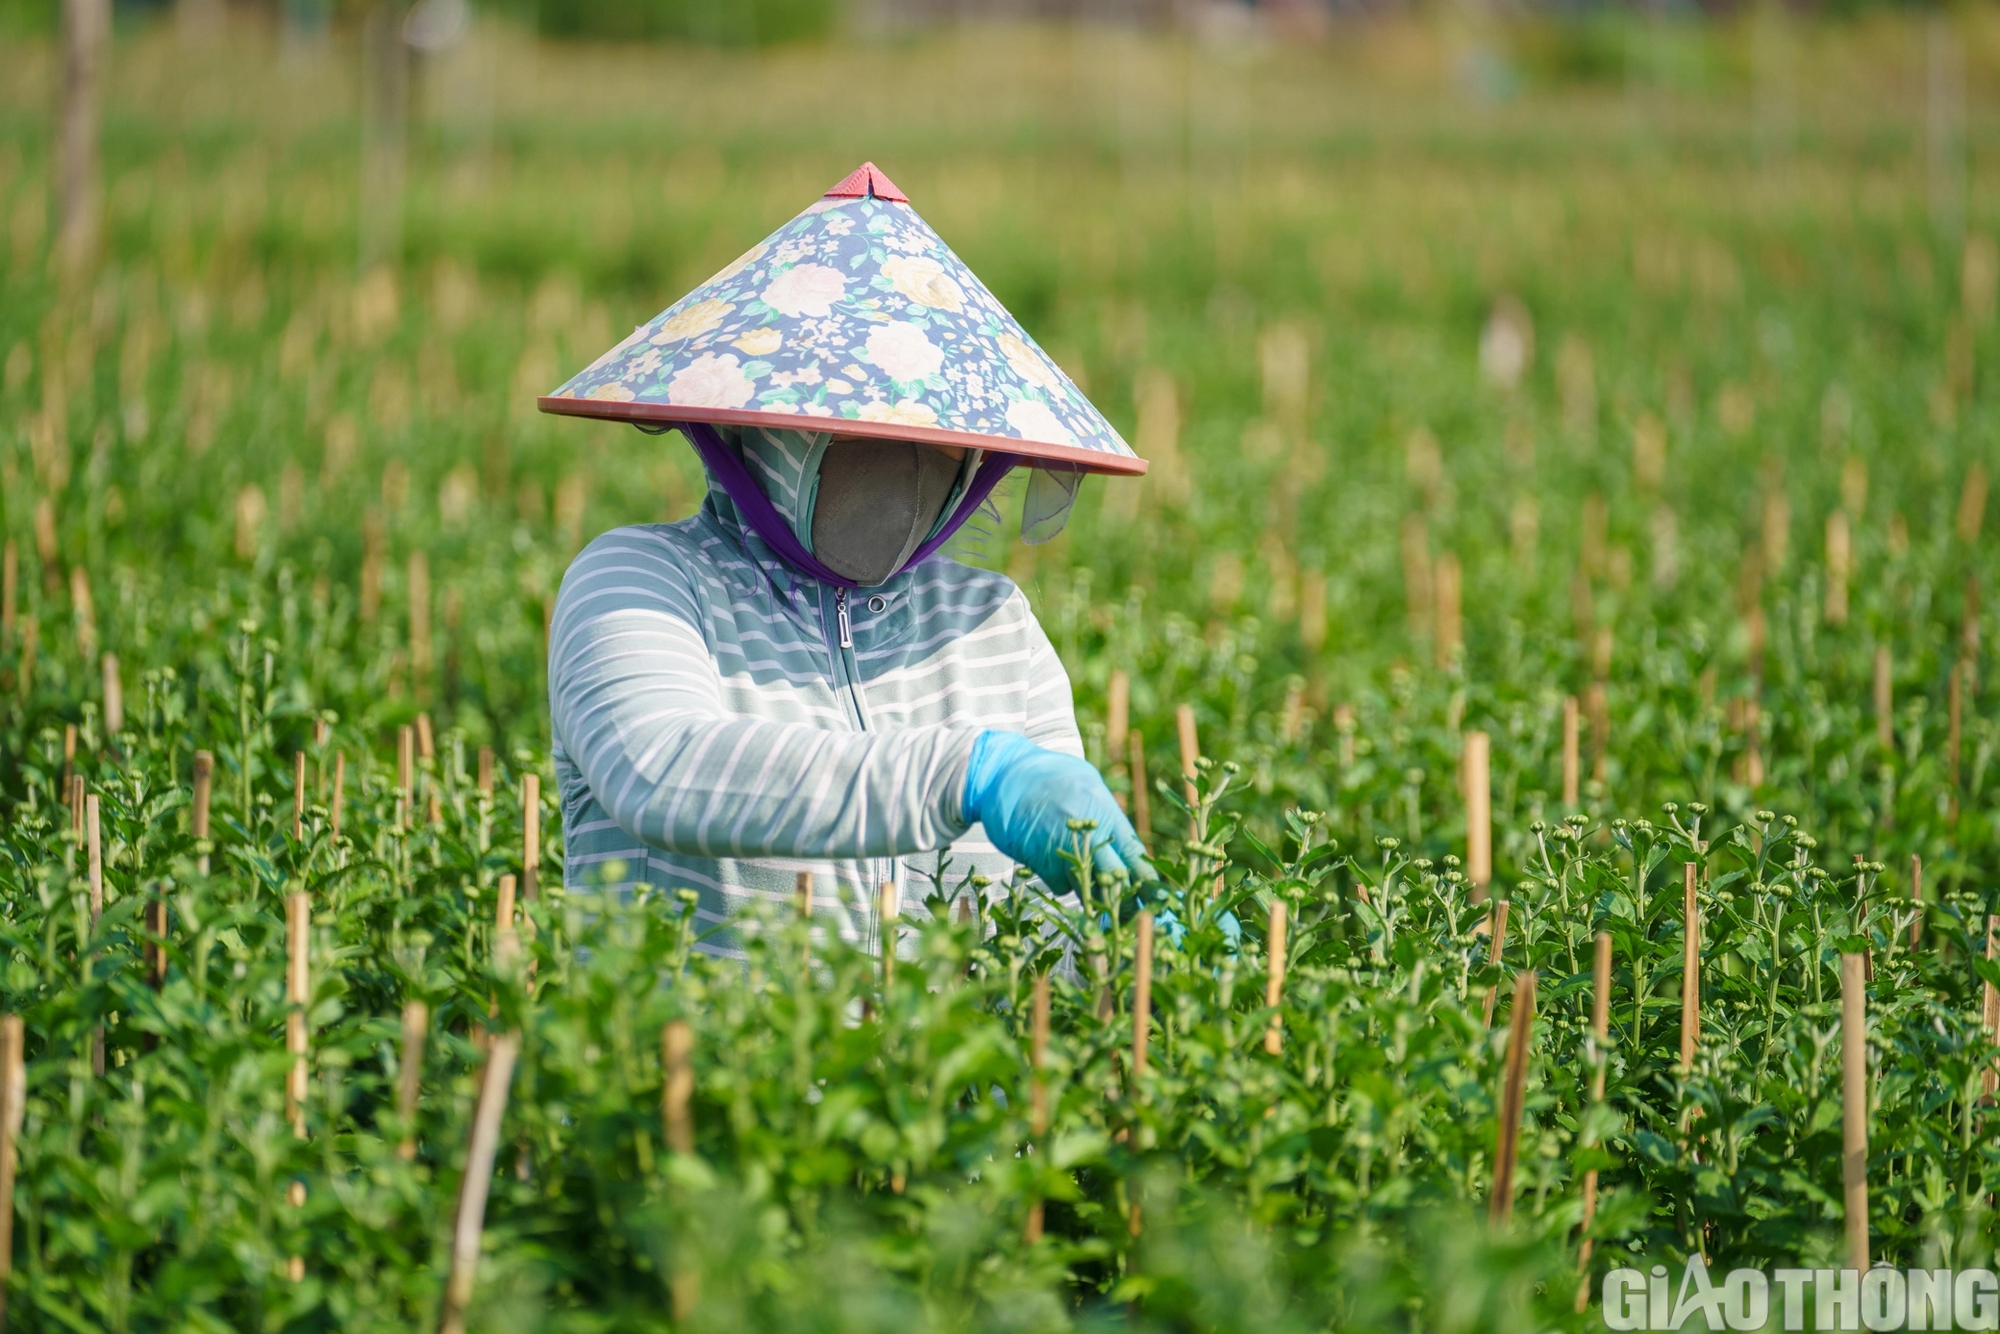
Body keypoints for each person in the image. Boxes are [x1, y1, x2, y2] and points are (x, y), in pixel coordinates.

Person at [540, 164, 1153, 952]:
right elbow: (666, 770)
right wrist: (966, 773)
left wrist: (1142, 950)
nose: (900, 472)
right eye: (855, 434)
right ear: (753, 433)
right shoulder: (639, 581)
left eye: (933, 443)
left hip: (935, 1076)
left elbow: (1041, 919)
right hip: (694, 1072)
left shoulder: (989, 625)